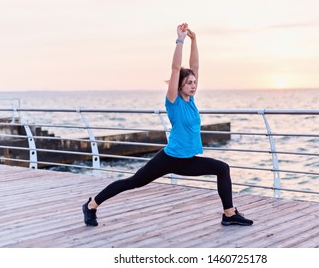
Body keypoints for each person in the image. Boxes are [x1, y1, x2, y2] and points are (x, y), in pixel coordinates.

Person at [82, 23, 253, 227]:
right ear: (179, 84)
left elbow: (195, 66)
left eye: (194, 82)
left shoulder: (191, 100)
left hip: (187, 159)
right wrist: (180, 40)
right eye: (189, 82)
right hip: (169, 159)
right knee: (134, 182)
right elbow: (175, 68)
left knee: (222, 168)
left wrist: (195, 40)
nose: (193, 85)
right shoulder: (173, 101)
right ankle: (92, 205)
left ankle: (229, 213)